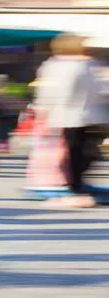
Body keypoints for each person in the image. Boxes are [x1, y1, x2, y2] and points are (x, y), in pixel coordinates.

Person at [31, 34, 109, 208]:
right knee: (81, 153)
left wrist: (44, 110)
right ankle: (75, 185)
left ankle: (76, 184)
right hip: (81, 116)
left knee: (79, 153)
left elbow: (47, 91)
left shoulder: (56, 65)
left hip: (75, 116)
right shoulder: (77, 65)